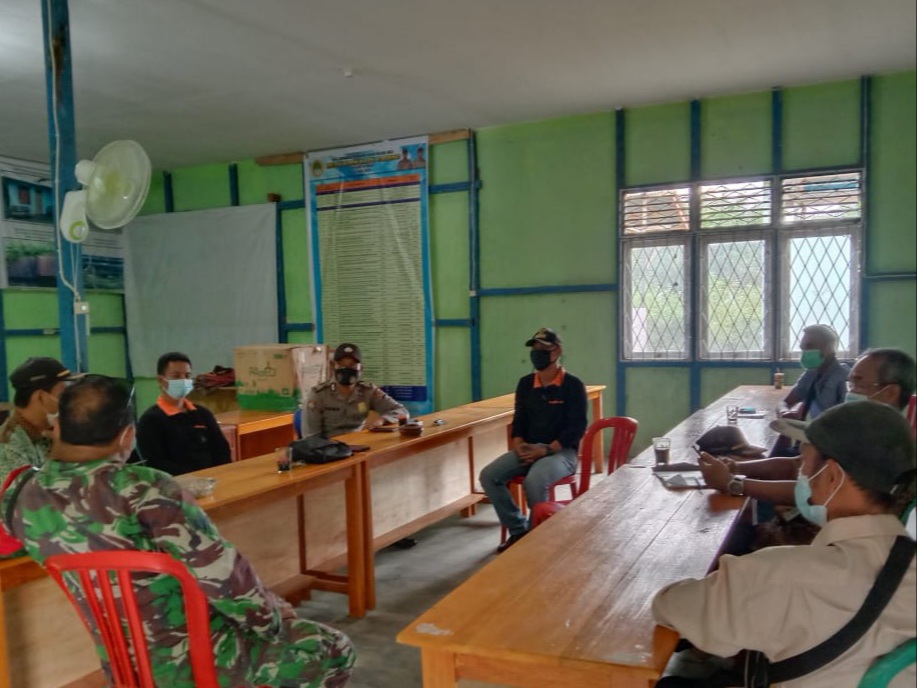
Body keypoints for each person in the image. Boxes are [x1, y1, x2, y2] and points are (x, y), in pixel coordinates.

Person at [2, 375, 354, 688]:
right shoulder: (147, 488)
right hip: (200, 660)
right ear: (126, 436)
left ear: (57, 427)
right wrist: (275, 620)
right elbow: (226, 580)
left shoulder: (20, 494)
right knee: (332, 648)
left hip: (123, 665)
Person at [653, 401, 916, 687]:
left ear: (832, 476)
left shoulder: (781, 575)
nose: (801, 475)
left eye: (803, 465)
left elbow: (669, 607)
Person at [700, 348, 917, 535]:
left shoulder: (888, 443)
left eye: (858, 382)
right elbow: (798, 464)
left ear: (890, 392)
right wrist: (737, 468)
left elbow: (813, 490)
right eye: (850, 382)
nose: (850, 391)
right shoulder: (860, 425)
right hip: (835, 528)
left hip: (848, 538)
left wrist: (734, 483)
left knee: (739, 523)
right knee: (744, 516)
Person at [479, 328, 588, 553]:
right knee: (489, 476)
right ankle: (519, 531)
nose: (537, 353)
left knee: (535, 480)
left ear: (557, 351)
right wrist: (519, 445)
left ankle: (537, 539)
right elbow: (519, 420)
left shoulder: (573, 385)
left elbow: (576, 428)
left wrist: (546, 450)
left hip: (561, 452)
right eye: (534, 348)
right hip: (529, 449)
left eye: (543, 348)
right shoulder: (526, 384)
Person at [135, 352, 231, 476]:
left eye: (187, 375)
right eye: (176, 376)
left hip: (212, 479)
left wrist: (219, 474)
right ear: (161, 380)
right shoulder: (150, 420)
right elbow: (155, 463)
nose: (183, 380)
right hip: (177, 483)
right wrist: (194, 478)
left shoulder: (202, 413)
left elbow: (222, 450)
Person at [303, 343, 407, 438]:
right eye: (341, 365)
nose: (346, 369)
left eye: (352, 365)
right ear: (333, 367)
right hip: (328, 447)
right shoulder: (319, 395)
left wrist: (382, 420)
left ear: (361, 369)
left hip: (358, 443)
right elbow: (311, 438)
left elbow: (401, 411)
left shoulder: (368, 391)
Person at [0, 357, 78, 483]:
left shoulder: (47, 433)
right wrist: (58, 451)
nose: (68, 402)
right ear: (41, 397)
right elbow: (27, 493)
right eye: (63, 395)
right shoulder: (8, 447)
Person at [776, 324, 848, 422]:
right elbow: (784, 403)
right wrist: (784, 412)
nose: (805, 353)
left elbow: (848, 419)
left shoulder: (844, 378)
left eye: (809, 346)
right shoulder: (811, 374)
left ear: (827, 348)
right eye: (802, 348)